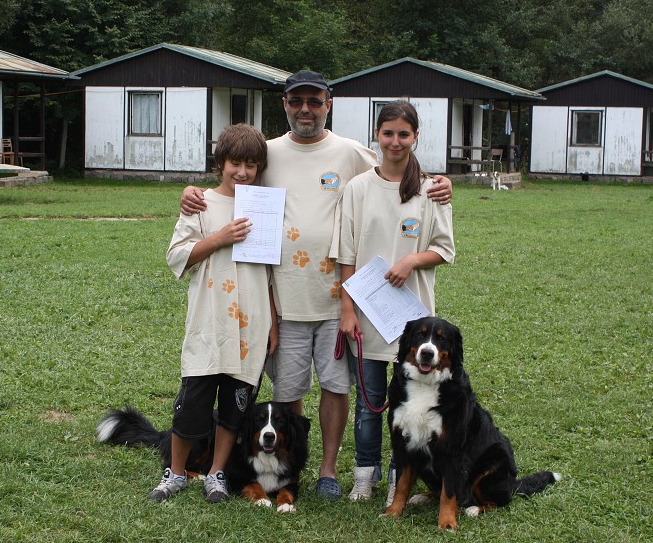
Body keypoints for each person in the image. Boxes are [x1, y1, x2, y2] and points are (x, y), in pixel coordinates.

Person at [180, 70, 453, 500]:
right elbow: (231, 179)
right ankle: (293, 464)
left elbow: (396, 164)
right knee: (288, 391)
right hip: (283, 299)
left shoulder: (348, 152)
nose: (305, 109)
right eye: (296, 101)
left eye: (314, 101)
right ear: (285, 103)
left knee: (335, 386)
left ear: (329, 103)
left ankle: (328, 470)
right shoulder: (266, 153)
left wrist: (440, 182)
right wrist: (192, 192)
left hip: (338, 299)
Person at [336, 100, 455, 504]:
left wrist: (411, 261)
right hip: (368, 319)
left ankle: (397, 480)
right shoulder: (357, 189)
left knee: (407, 409)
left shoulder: (431, 190)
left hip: (415, 326)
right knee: (369, 405)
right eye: (388, 133)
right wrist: (347, 310)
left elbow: (444, 249)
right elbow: (346, 255)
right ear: (378, 136)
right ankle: (364, 478)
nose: (395, 141)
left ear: (416, 137)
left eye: (404, 134)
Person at [152, 123, 278, 503]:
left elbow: (272, 270)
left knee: (234, 408)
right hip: (209, 322)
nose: (242, 172)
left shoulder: (265, 206)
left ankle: (216, 474)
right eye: (235, 163)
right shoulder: (201, 203)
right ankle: (174, 473)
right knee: (192, 404)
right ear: (220, 163)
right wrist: (219, 239)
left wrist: (273, 321)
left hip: (252, 324)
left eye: (251, 165)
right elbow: (177, 256)